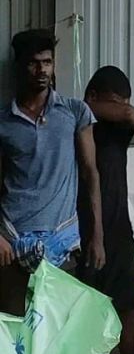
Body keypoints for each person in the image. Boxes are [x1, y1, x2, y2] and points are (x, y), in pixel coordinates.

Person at [0, 30, 105, 315]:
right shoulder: (4, 121)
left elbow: (90, 173)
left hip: (63, 243)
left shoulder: (74, 112)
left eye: (47, 62)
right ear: (21, 66)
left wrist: (96, 236)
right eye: (34, 63)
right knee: (14, 335)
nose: (42, 70)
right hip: (12, 242)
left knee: (58, 333)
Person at [76, 66, 134, 354]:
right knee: (85, 309)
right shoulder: (75, 128)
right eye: (116, 101)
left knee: (129, 307)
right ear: (94, 95)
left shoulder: (117, 129)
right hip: (80, 231)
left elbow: (131, 115)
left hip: (117, 230)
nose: (123, 107)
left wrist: (81, 106)